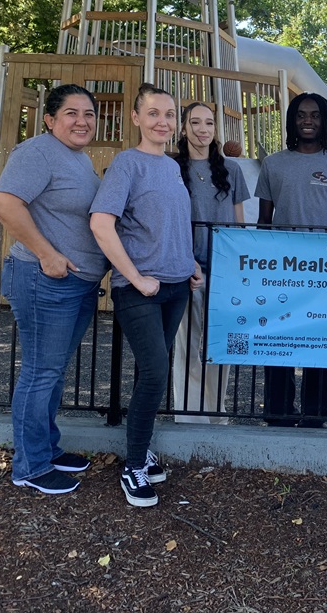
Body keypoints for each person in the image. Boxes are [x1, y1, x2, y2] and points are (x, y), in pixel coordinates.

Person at [90, 83, 204, 507]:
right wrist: (136, 278)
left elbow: (173, 223)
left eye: (169, 114)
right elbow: (101, 223)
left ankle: (141, 449)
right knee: (156, 372)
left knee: (150, 373)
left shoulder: (172, 168)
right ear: (136, 118)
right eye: (153, 113)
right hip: (139, 290)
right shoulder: (127, 164)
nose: (163, 121)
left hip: (176, 287)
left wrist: (190, 263)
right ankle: (133, 465)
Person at [0, 84, 109, 495]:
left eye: (89, 114)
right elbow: (5, 203)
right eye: (71, 113)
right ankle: (30, 466)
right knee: (41, 372)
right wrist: (47, 254)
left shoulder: (77, 158)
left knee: (52, 371)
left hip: (75, 284)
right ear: (50, 119)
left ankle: (47, 449)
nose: (82, 121)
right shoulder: (37, 152)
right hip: (44, 279)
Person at [255, 92, 327, 427]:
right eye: (301, 115)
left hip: (322, 273)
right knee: (277, 339)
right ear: (292, 121)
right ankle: (278, 410)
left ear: (325, 121)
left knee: (318, 341)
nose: (307, 121)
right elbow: (264, 222)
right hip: (280, 270)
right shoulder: (273, 164)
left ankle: (315, 413)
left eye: (314, 115)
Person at [173, 102, 250, 424]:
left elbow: (239, 224)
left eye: (208, 123)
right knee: (187, 346)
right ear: (183, 128)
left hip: (223, 271)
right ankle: (189, 417)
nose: (202, 129)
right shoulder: (172, 168)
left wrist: (238, 268)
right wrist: (185, 261)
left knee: (220, 346)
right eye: (195, 122)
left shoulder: (232, 170)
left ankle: (216, 414)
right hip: (185, 269)